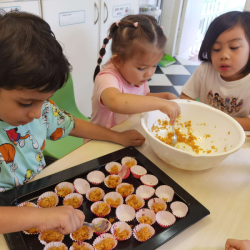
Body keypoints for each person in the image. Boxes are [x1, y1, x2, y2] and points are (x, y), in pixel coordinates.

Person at [0, 10, 145, 234]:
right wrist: (39, 217)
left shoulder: (40, 110)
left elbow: (72, 124)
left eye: (45, 101)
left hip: (34, 190)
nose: (39, 114)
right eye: (26, 103)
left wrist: (117, 137)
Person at [91, 14, 181, 130]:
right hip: (101, 141)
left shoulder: (137, 76)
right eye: (141, 68)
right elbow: (115, 101)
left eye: (154, 65)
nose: (149, 74)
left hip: (127, 132)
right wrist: (160, 104)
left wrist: (165, 97)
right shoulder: (107, 77)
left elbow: (143, 97)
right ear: (118, 61)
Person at [180, 11, 250, 130]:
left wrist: (218, 120)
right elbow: (186, 97)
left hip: (237, 136)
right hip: (202, 129)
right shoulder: (205, 70)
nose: (224, 55)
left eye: (234, 47)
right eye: (216, 49)